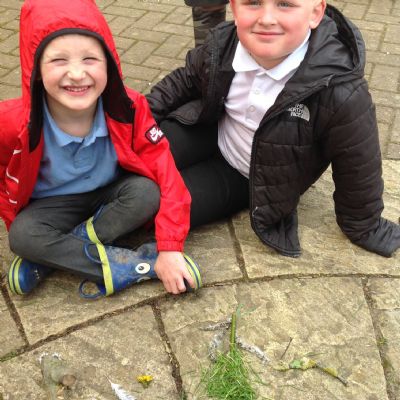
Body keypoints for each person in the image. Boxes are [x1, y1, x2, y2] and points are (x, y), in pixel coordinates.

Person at [147, 0, 400, 258]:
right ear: (234, 8)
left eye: (285, 4)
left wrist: (364, 224)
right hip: (211, 130)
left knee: (151, 204)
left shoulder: (339, 89)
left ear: (315, 12)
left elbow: (358, 158)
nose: (266, 18)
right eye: (253, 2)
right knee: (135, 152)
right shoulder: (225, 42)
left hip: (246, 175)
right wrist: (140, 117)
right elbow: (183, 80)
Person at [1, 0, 201, 299]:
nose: (77, 73)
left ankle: (53, 257)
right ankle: (139, 264)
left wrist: (171, 247)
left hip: (110, 194)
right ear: (36, 69)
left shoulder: (129, 107)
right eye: (59, 60)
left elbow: (166, 171)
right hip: (52, 206)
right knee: (23, 235)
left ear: (109, 63)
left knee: (147, 193)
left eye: (90, 59)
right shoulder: (11, 122)